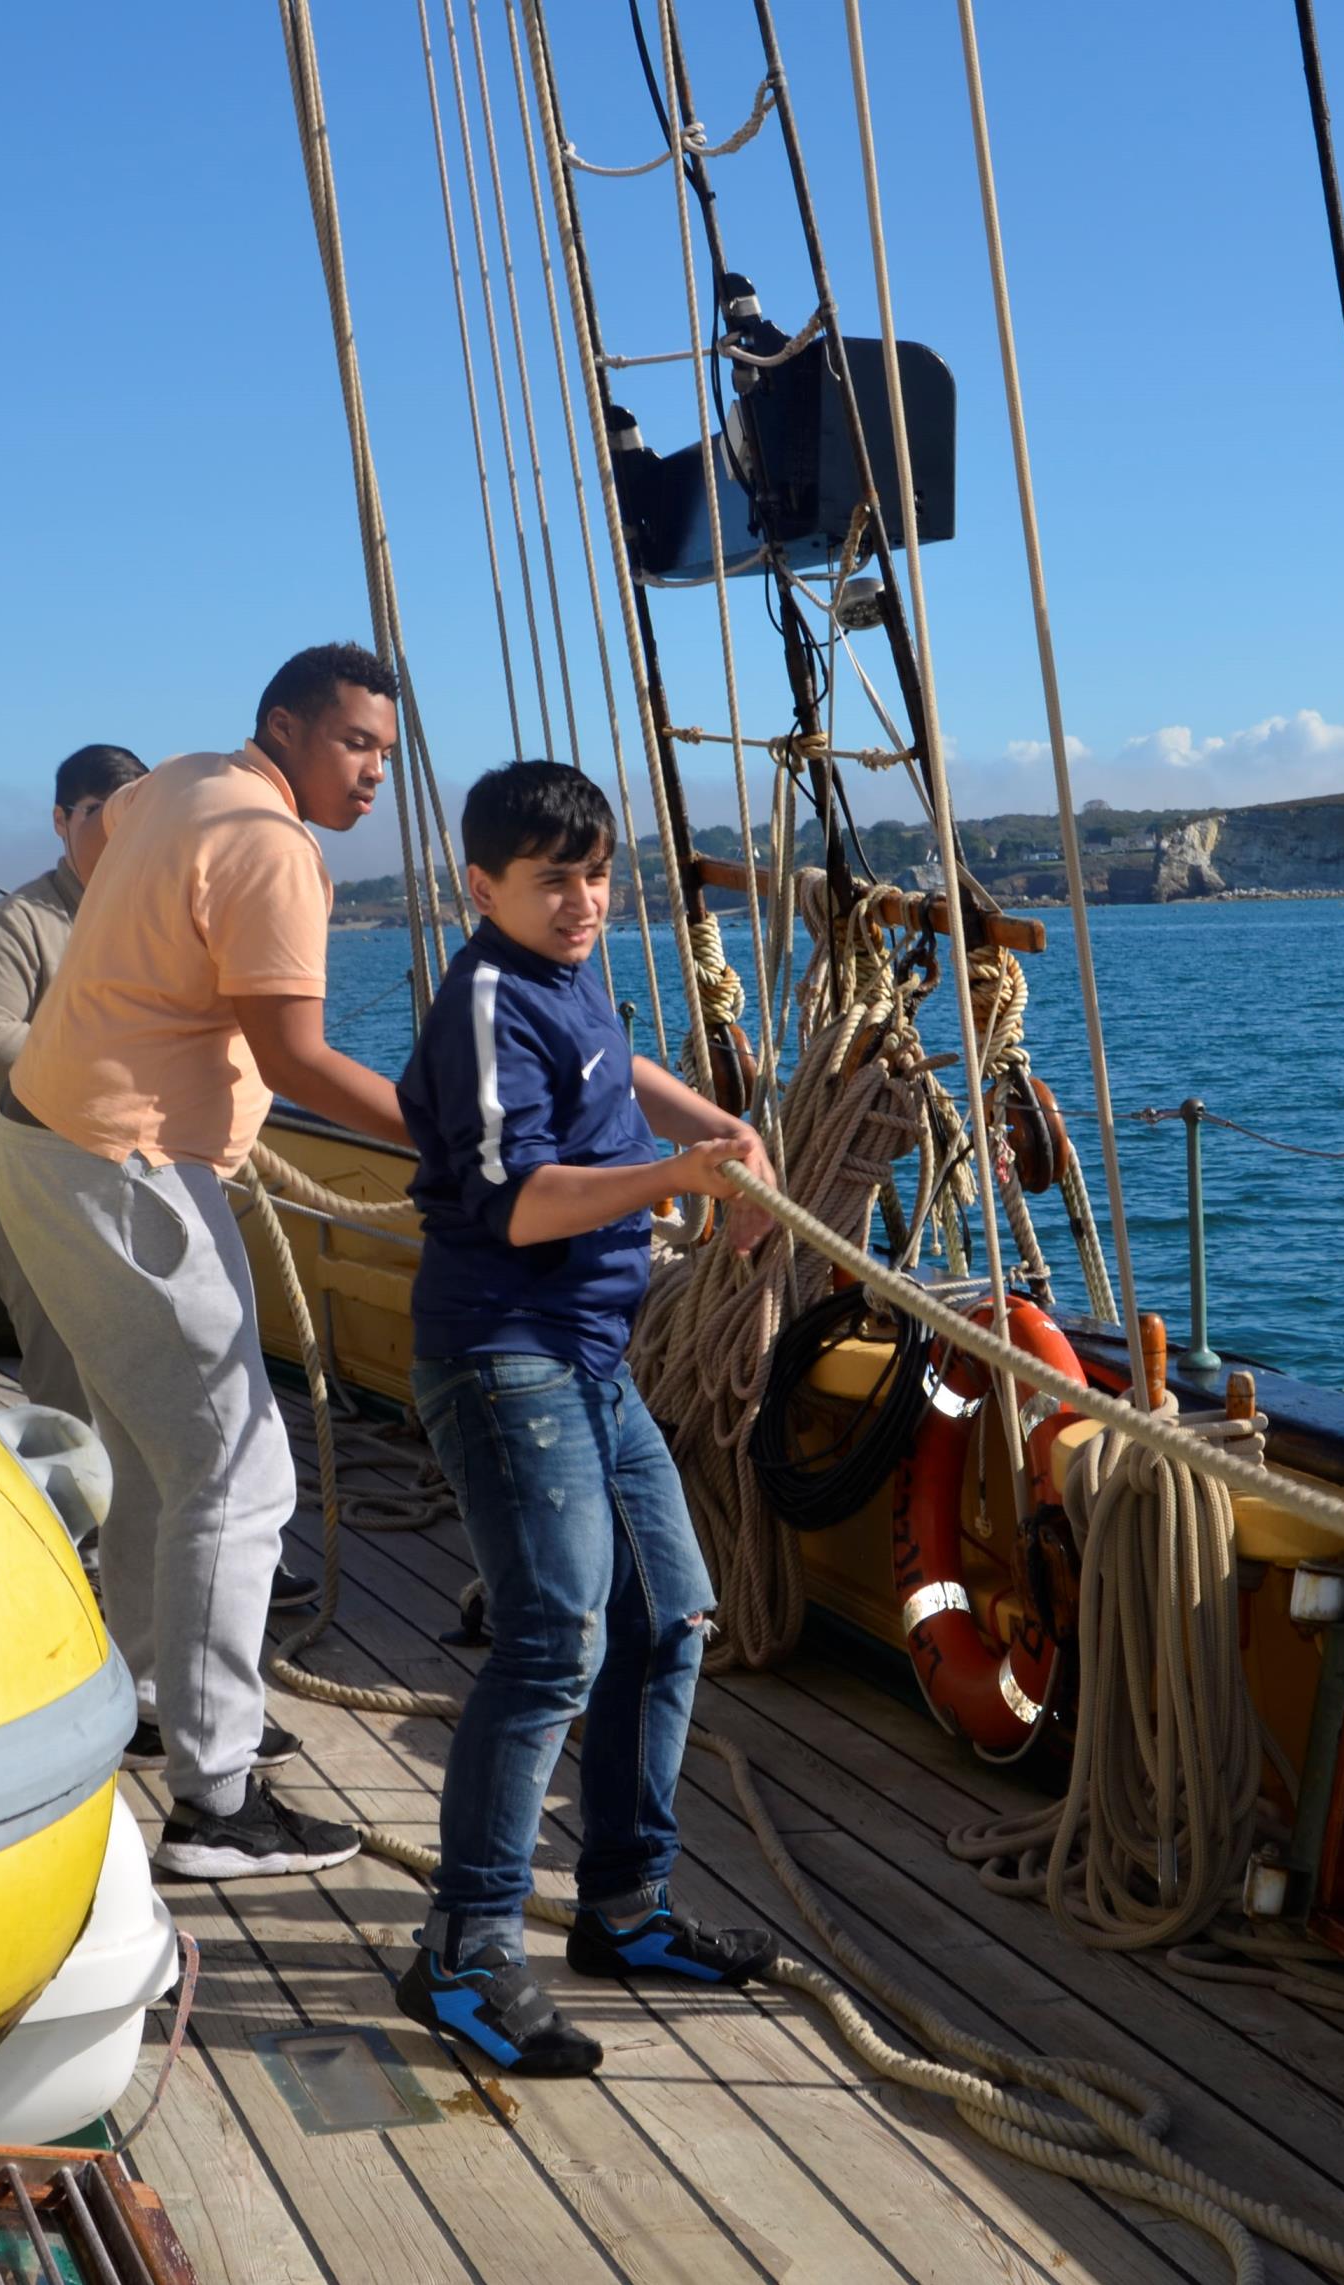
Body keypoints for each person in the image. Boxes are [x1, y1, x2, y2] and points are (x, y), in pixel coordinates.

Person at [0, 642, 410, 1880]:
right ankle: (217, 1802)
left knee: (149, 1449)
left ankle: (149, 1697)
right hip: (126, 1164)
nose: (374, 770)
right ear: (283, 728)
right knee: (240, 1473)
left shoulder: (174, 780)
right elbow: (300, 1062)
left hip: (45, 1142)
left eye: (385, 750)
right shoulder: (276, 847)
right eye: (353, 743)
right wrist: (464, 1141)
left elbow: (107, 841)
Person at [389, 759, 780, 2077]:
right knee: (554, 1633)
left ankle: (621, 1905)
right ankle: (461, 1948)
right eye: (553, 877)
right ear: (480, 884)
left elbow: (616, 1062)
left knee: (665, 1615)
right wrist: (673, 1178)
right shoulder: (487, 999)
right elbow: (517, 1202)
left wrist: (713, 1125)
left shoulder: (563, 977)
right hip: (507, 1356)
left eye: (596, 873)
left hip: (589, 1357)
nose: (582, 900)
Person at [0, 743, 148, 1423]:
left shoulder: (160, 920)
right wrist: (112, 1063)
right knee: (71, 1398)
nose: (120, 828)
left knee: (145, 1390)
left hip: (134, 1187)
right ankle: (77, 1532)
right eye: (100, 812)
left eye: (136, 810)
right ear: (61, 820)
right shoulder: (18, 924)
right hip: (35, 1197)